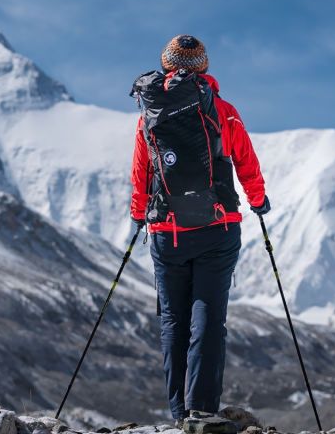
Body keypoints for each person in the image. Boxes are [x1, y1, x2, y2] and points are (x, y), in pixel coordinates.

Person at [129, 34, 269, 424]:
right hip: (217, 228)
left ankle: (177, 414)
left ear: (167, 65)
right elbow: (245, 160)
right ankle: (201, 410)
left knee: (173, 320)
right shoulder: (223, 111)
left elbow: (141, 171)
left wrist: (139, 213)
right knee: (208, 317)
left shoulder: (149, 115)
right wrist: (258, 200)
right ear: (203, 68)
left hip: (166, 232)